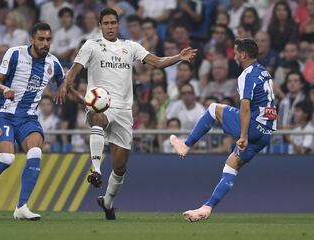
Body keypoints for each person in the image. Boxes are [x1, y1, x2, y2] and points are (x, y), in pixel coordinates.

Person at [55, 8, 196, 220]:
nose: (110, 27)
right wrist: (66, 85)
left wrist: (179, 57)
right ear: (100, 26)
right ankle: (95, 170)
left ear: (117, 25)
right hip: (99, 103)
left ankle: (107, 202)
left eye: (113, 23)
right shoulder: (91, 45)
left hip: (123, 109)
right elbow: (74, 70)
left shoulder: (130, 47)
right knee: (97, 118)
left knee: (120, 167)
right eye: (106, 23)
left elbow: (157, 62)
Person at [0, 23, 65, 220]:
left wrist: (83, 100)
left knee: (36, 151)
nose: (46, 43)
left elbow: (65, 84)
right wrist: (5, 90)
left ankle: (22, 207)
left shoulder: (53, 63)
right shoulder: (15, 54)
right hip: (4, 113)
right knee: (7, 158)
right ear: (32, 40)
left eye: (48, 39)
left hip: (28, 117)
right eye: (41, 39)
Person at [170, 38, 277, 222]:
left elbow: (245, 107)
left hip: (252, 127)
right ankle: (207, 207)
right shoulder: (264, 73)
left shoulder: (247, 75)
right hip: (267, 131)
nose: (234, 57)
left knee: (213, 109)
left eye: (236, 53)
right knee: (231, 166)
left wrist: (243, 135)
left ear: (243, 54)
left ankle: (186, 146)